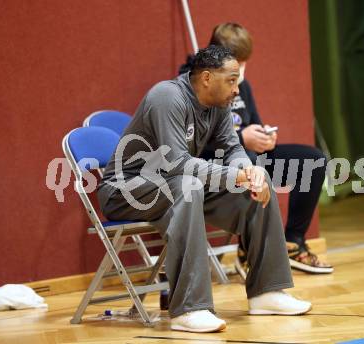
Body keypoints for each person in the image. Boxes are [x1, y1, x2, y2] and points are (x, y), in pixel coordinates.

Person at [97, 45, 311, 333]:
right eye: (232, 80)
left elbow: (233, 148)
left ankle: (267, 292)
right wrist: (236, 176)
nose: (237, 88)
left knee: (259, 187)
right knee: (188, 186)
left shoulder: (218, 105)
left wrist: (250, 171)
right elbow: (176, 164)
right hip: (127, 188)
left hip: (174, 185)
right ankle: (189, 309)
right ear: (207, 78)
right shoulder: (167, 96)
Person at [179, 23, 333, 275]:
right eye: (237, 63)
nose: (241, 70)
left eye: (243, 63)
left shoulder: (243, 86)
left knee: (312, 161)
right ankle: (249, 247)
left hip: (249, 157)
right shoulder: (193, 87)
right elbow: (191, 143)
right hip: (214, 164)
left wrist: (263, 136)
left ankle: (292, 241)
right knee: (250, 163)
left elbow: (253, 124)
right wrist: (242, 138)